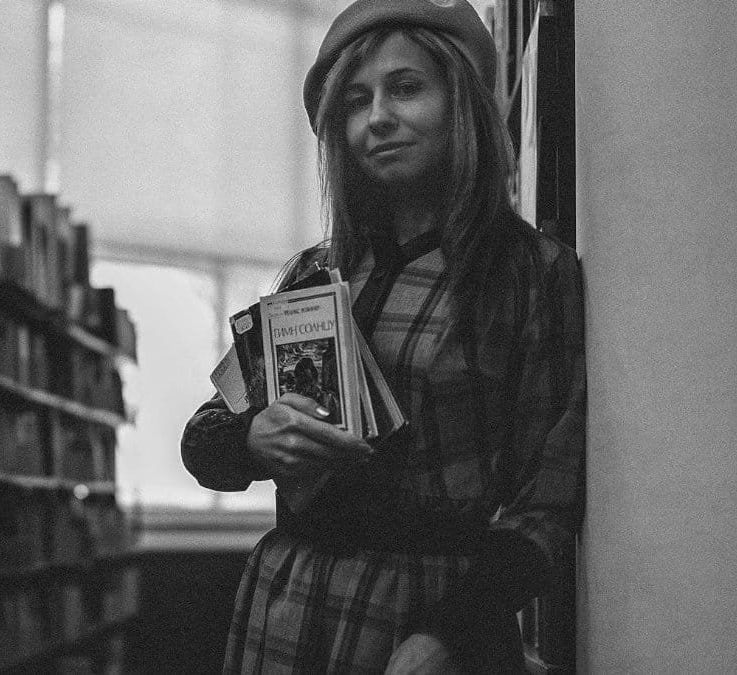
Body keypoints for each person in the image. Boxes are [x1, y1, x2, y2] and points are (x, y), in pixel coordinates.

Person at [180, 0, 585, 672]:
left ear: (461, 102)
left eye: (406, 88)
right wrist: (254, 438)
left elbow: (546, 503)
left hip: (434, 620)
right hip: (287, 604)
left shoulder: (533, 275)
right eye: (356, 101)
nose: (377, 119)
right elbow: (201, 438)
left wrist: (451, 633)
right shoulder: (312, 273)